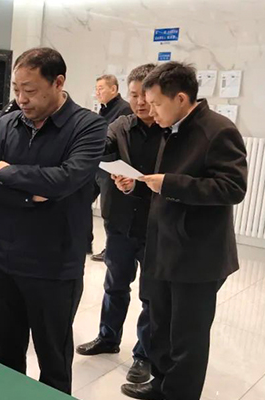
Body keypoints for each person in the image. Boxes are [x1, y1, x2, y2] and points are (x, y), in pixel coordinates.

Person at [0, 47, 106, 394]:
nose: (21, 99)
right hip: (3, 258)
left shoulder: (88, 126)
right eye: (16, 89)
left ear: (58, 82)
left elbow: (65, 179)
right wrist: (28, 195)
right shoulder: (9, 122)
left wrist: (7, 172)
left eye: (30, 90)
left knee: (53, 360)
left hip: (54, 265)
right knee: (4, 353)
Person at [119, 62, 247, 400]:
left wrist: (170, 184)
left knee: (188, 337)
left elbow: (232, 188)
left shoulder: (217, 130)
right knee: (160, 326)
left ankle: (179, 394)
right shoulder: (171, 128)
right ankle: (161, 385)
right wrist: (138, 185)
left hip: (197, 254)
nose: (150, 111)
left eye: (156, 104)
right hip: (164, 245)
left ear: (180, 98)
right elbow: (165, 185)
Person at [76, 63, 167, 385]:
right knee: (115, 284)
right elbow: (103, 149)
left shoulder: (170, 131)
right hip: (121, 222)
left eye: (145, 96)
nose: (140, 102)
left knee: (151, 295)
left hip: (156, 226)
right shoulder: (121, 125)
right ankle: (108, 336)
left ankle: (144, 355)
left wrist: (141, 183)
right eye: (134, 95)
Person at [91, 74, 134, 262]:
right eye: (96, 88)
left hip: (113, 167)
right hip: (98, 165)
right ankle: (85, 241)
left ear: (114, 89)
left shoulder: (124, 109)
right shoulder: (103, 109)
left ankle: (110, 248)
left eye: (101, 88)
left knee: (109, 210)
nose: (97, 92)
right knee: (83, 200)